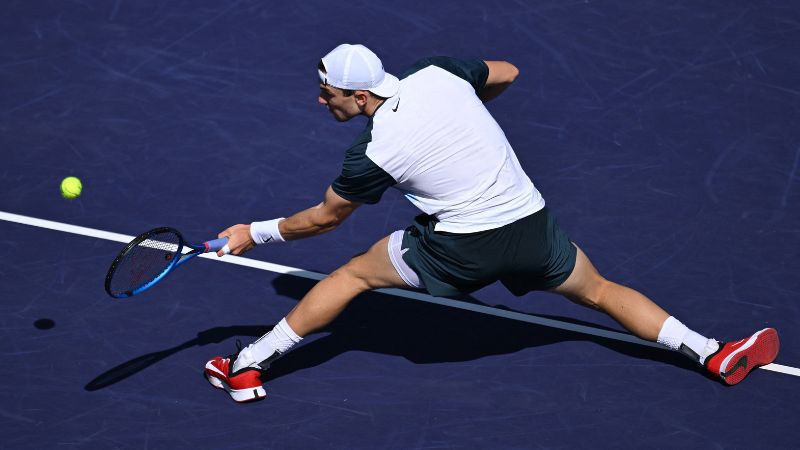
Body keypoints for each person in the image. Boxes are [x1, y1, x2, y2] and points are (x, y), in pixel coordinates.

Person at [203, 44, 780, 403]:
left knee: (353, 275)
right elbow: (506, 72)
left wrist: (254, 232)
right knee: (600, 291)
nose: (320, 102)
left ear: (357, 95)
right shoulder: (437, 73)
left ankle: (248, 366)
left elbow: (325, 220)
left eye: (327, 95)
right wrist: (463, 117)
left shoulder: (373, 152)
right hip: (531, 226)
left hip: (464, 247)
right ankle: (709, 351)